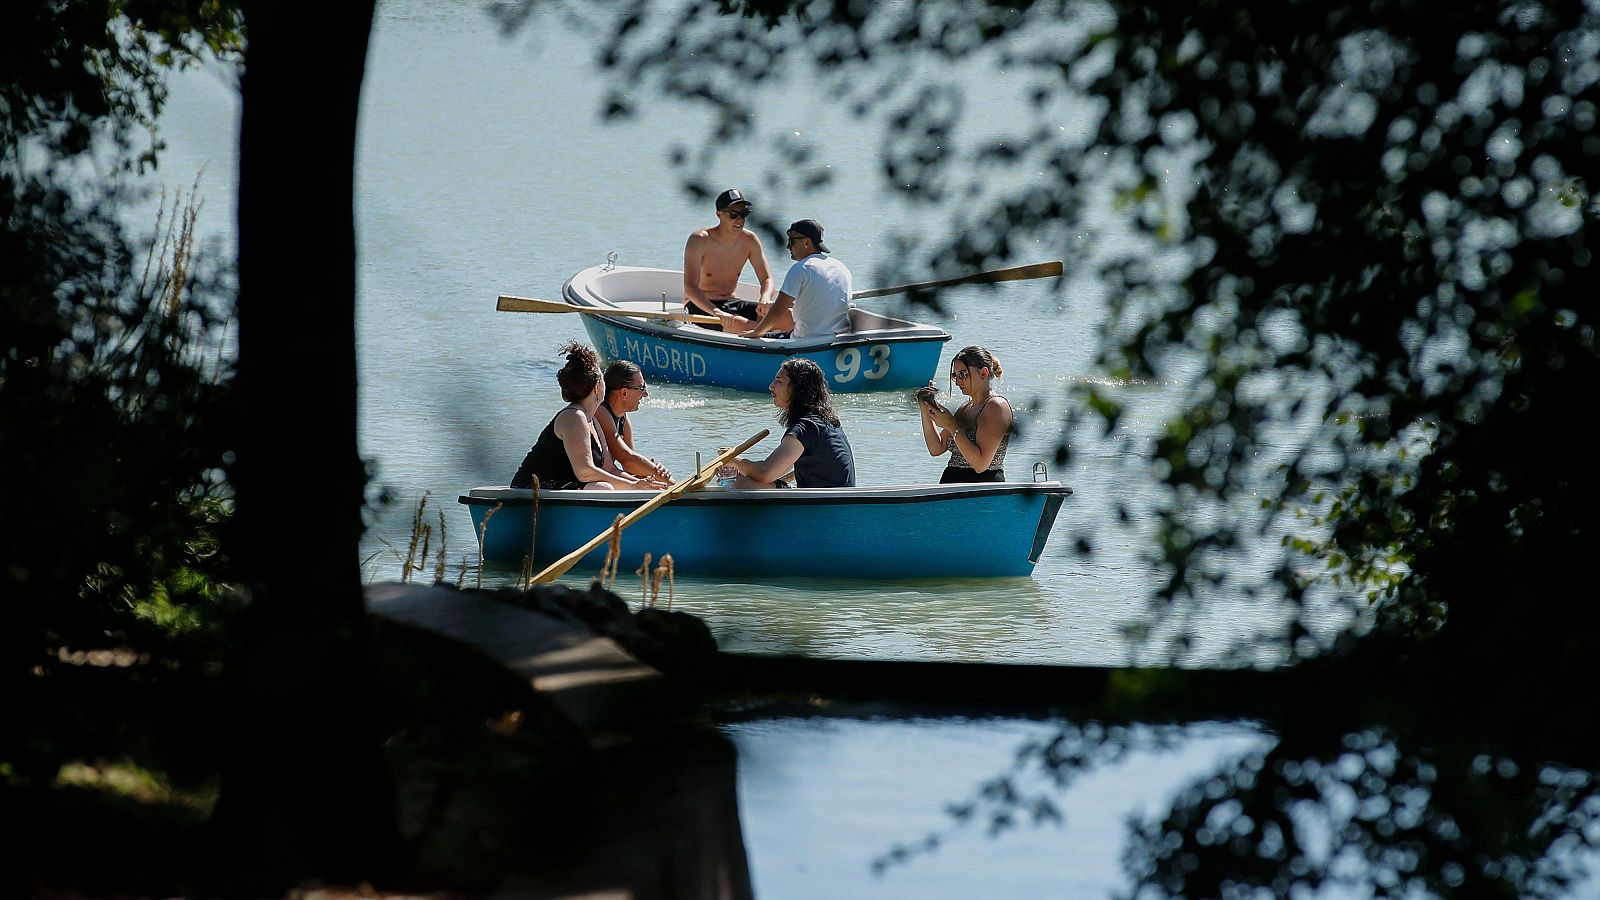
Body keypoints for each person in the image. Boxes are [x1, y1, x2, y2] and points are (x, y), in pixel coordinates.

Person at [510, 343, 664, 491]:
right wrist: (631, 487)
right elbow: (584, 471)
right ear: (597, 387)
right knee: (603, 488)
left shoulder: (593, 419)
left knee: (608, 485)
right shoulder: (574, 416)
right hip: (531, 490)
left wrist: (646, 485)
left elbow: (610, 469)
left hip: (561, 489)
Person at [730, 357, 856, 488]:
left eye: (779, 381)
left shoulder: (807, 426)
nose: (771, 386)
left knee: (743, 484)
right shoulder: (826, 421)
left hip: (823, 504)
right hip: (833, 502)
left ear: (798, 388)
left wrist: (734, 462)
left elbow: (765, 473)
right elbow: (787, 469)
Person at [724, 218, 852, 340]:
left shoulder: (801, 269)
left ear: (806, 242)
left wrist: (757, 332)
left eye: (792, 241)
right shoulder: (841, 267)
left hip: (805, 340)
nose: (788, 247)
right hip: (837, 338)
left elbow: (777, 311)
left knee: (751, 332)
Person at [683, 188, 784, 332]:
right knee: (747, 326)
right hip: (699, 305)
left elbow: (767, 279)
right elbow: (690, 287)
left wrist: (765, 298)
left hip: (731, 302)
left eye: (743, 214)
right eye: (733, 214)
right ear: (719, 214)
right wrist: (716, 312)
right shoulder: (699, 240)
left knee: (787, 316)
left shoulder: (750, 240)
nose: (739, 219)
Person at [918, 346, 1013, 483]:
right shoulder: (965, 407)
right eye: (954, 376)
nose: (957, 382)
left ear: (984, 373)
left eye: (962, 374)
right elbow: (936, 448)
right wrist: (925, 407)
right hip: (954, 490)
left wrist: (952, 426)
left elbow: (980, 464)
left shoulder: (996, 407)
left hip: (981, 492)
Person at [595, 360, 674, 484]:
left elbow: (630, 468)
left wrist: (655, 473)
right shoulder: (600, 412)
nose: (646, 394)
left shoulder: (623, 417)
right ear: (624, 393)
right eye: (641, 388)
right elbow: (627, 458)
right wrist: (668, 482)